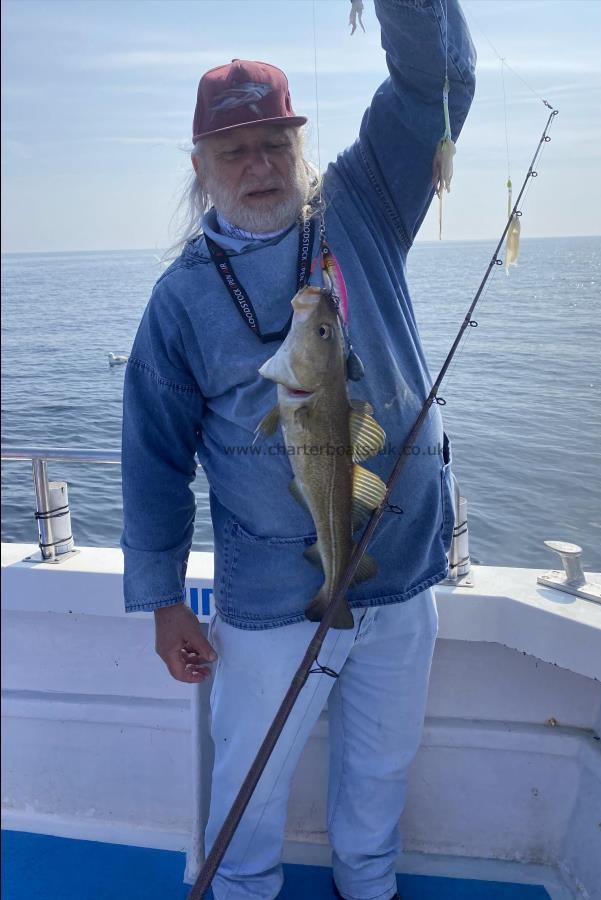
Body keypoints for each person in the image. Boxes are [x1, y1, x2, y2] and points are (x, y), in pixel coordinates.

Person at [121, 1, 475, 898]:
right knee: (250, 778)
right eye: (234, 150)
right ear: (200, 169)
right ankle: (242, 889)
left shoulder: (361, 204)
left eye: (275, 143)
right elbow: (154, 459)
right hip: (275, 591)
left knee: (383, 764)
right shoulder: (180, 301)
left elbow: (436, 86)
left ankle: (370, 886)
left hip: (399, 562)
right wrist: (162, 600)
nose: (259, 165)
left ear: (299, 148)